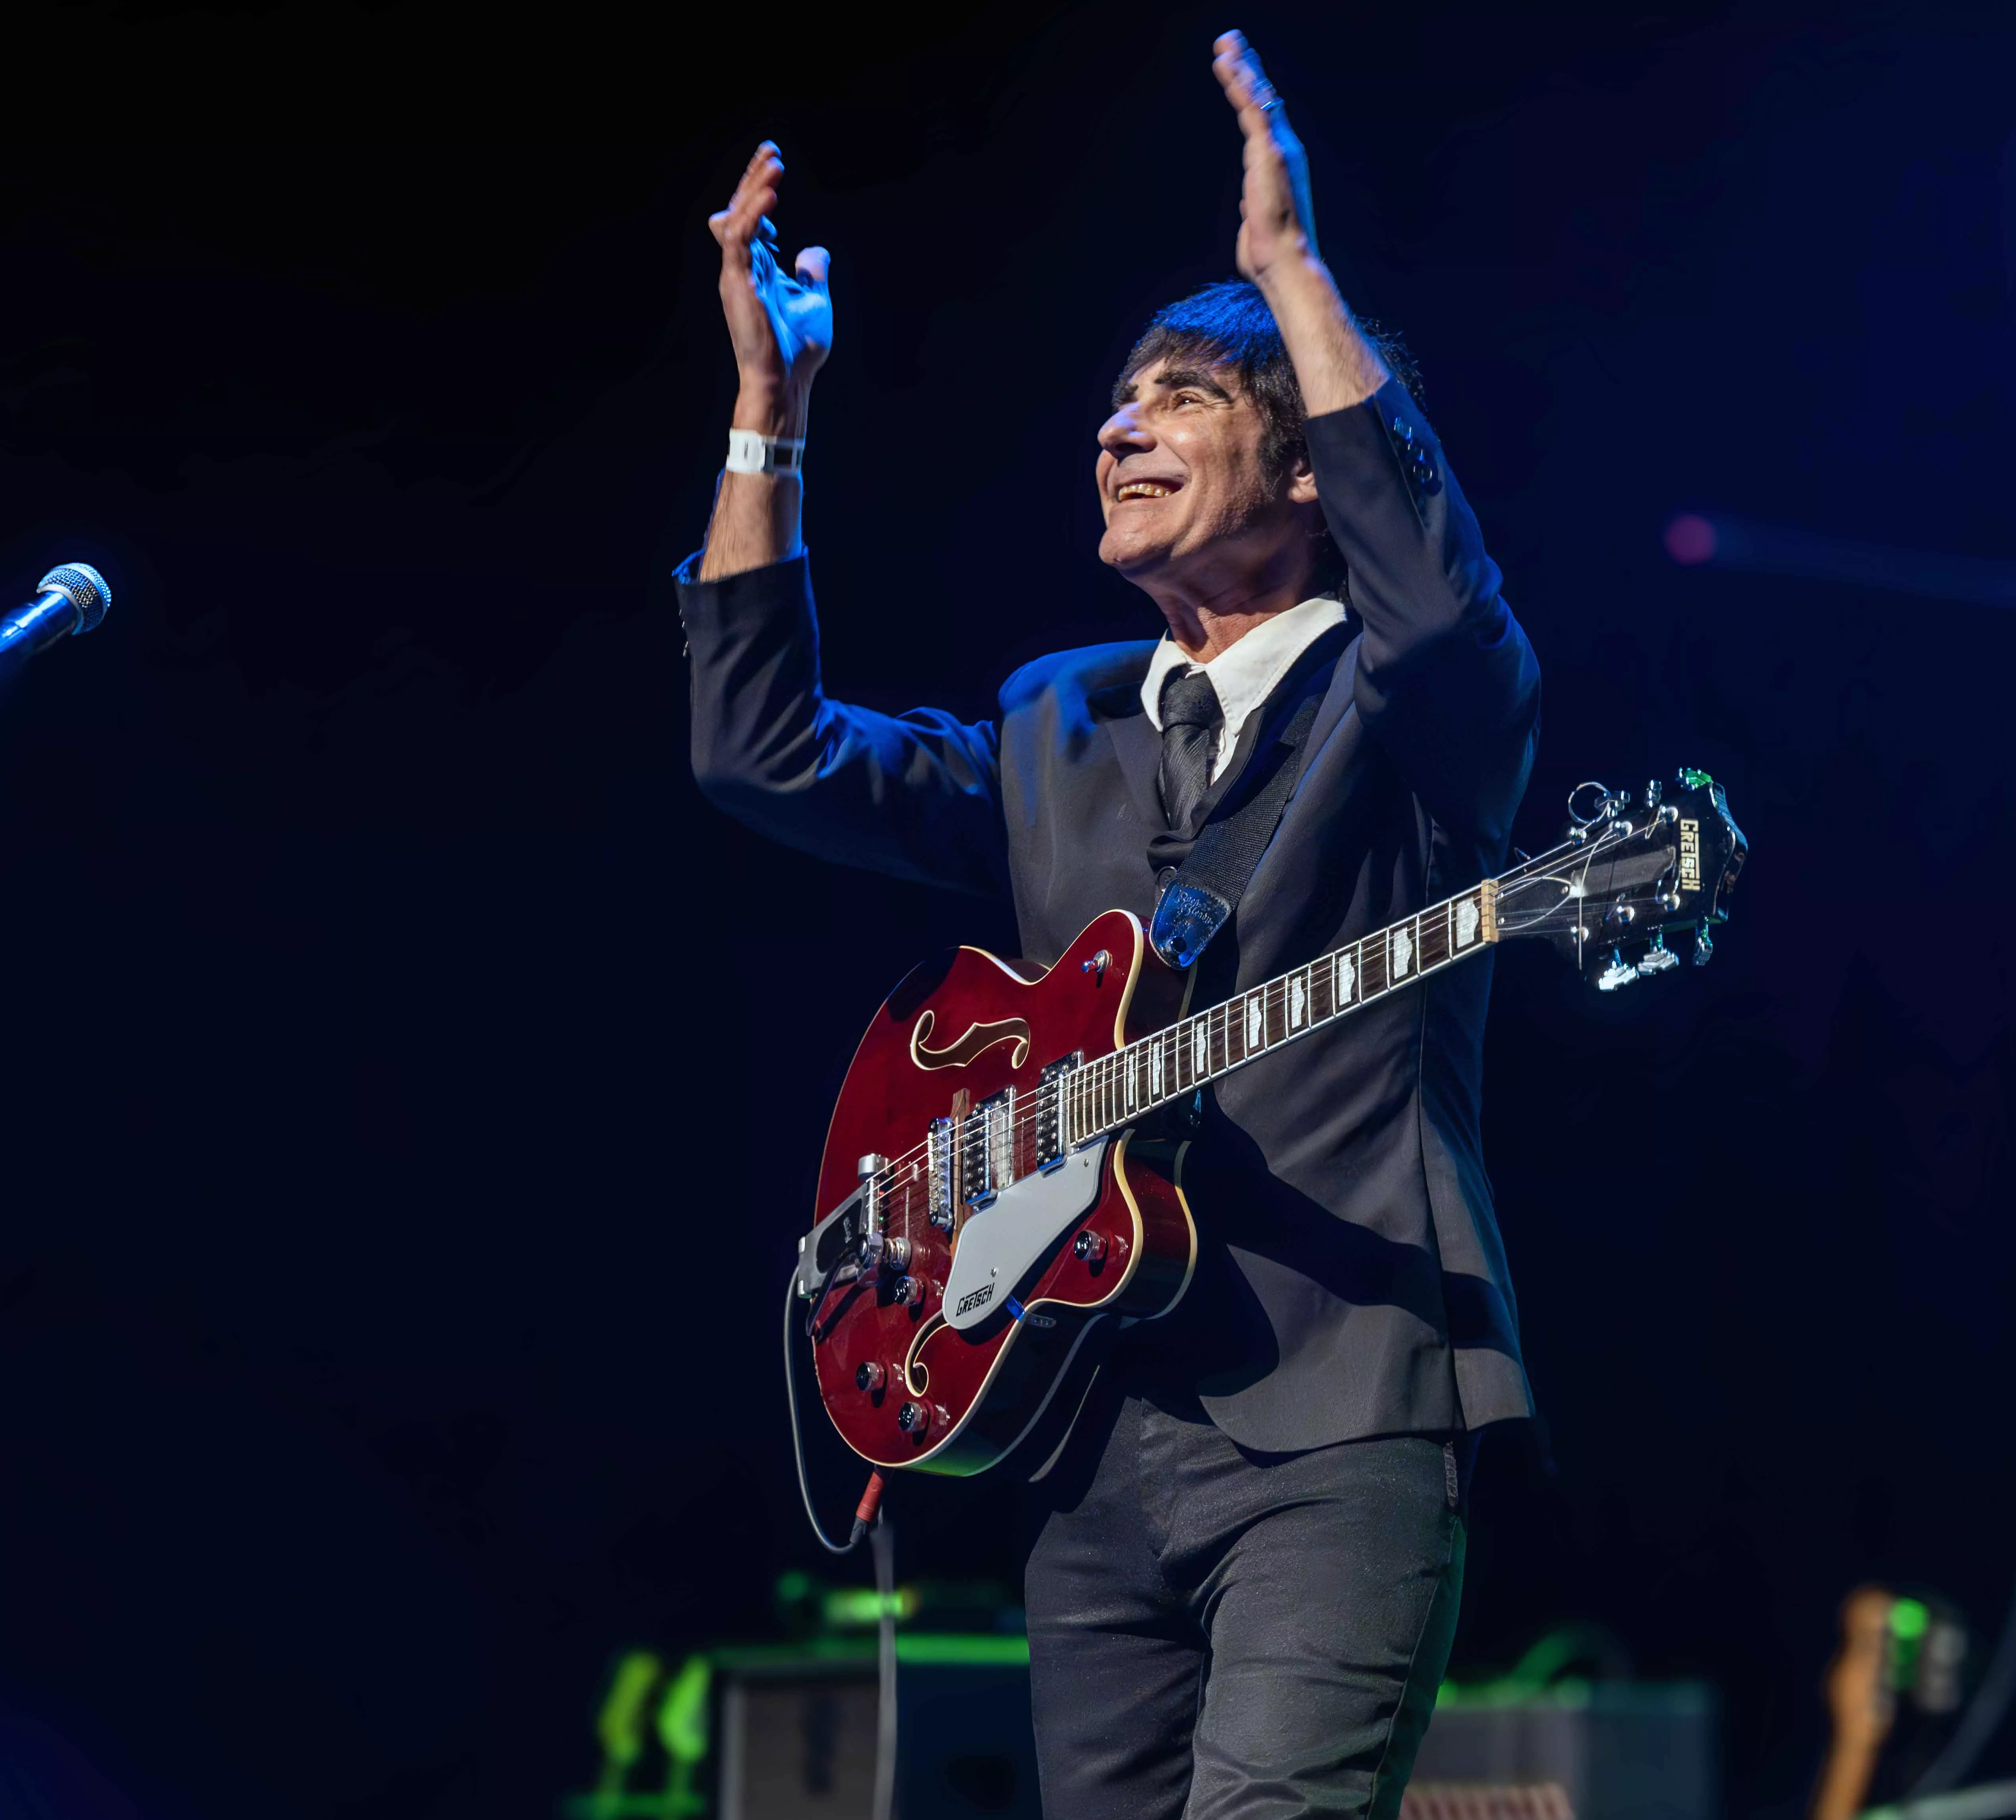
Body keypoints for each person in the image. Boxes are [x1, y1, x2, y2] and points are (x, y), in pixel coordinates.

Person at [678, 30, 1542, 1820]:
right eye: (1114, 400)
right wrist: (774, 410)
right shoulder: (1053, 720)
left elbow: (1450, 625)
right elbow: (757, 751)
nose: (1114, 424)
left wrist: (1287, 277)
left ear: (1306, 473)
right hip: (1079, 1432)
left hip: (1342, 1406)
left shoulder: (1406, 712)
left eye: (1177, 398)